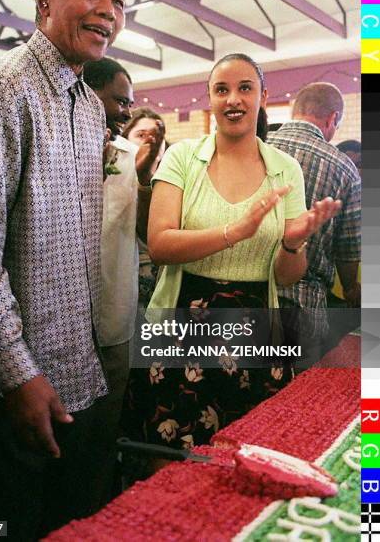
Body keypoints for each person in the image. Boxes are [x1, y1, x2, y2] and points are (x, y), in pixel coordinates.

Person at [0, 0, 125, 539]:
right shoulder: (0, 89)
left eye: (119, 2)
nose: (108, 11)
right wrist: (19, 375)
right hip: (14, 392)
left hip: (75, 376)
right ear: (44, 1)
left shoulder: (88, 106)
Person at [123, 54, 340, 453]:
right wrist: (234, 232)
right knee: (170, 465)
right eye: (221, 89)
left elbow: (287, 276)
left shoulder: (285, 168)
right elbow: (161, 244)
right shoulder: (183, 157)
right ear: (210, 98)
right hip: (180, 327)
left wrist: (293, 243)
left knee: (245, 461)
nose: (233, 99)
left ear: (263, 96)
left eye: (245, 88)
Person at [82, 58, 163, 506]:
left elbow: (136, 228)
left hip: (115, 312)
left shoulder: (125, 156)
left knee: (100, 437)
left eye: (129, 104)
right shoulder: (58, 151)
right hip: (59, 322)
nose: (124, 114)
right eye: (118, 101)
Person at [267, 83, 361, 351]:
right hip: (303, 304)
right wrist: (351, 288)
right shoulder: (344, 168)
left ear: (295, 110)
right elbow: (348, 249)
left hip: (246, 296)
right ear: (333, 119)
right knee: (302, 391)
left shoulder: (258, 147)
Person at [121, 107, 167, 306]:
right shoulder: (110, 176)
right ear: (125, 140)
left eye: (156, 135)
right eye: (141, 135)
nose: (150, 141)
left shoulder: (175, 181)